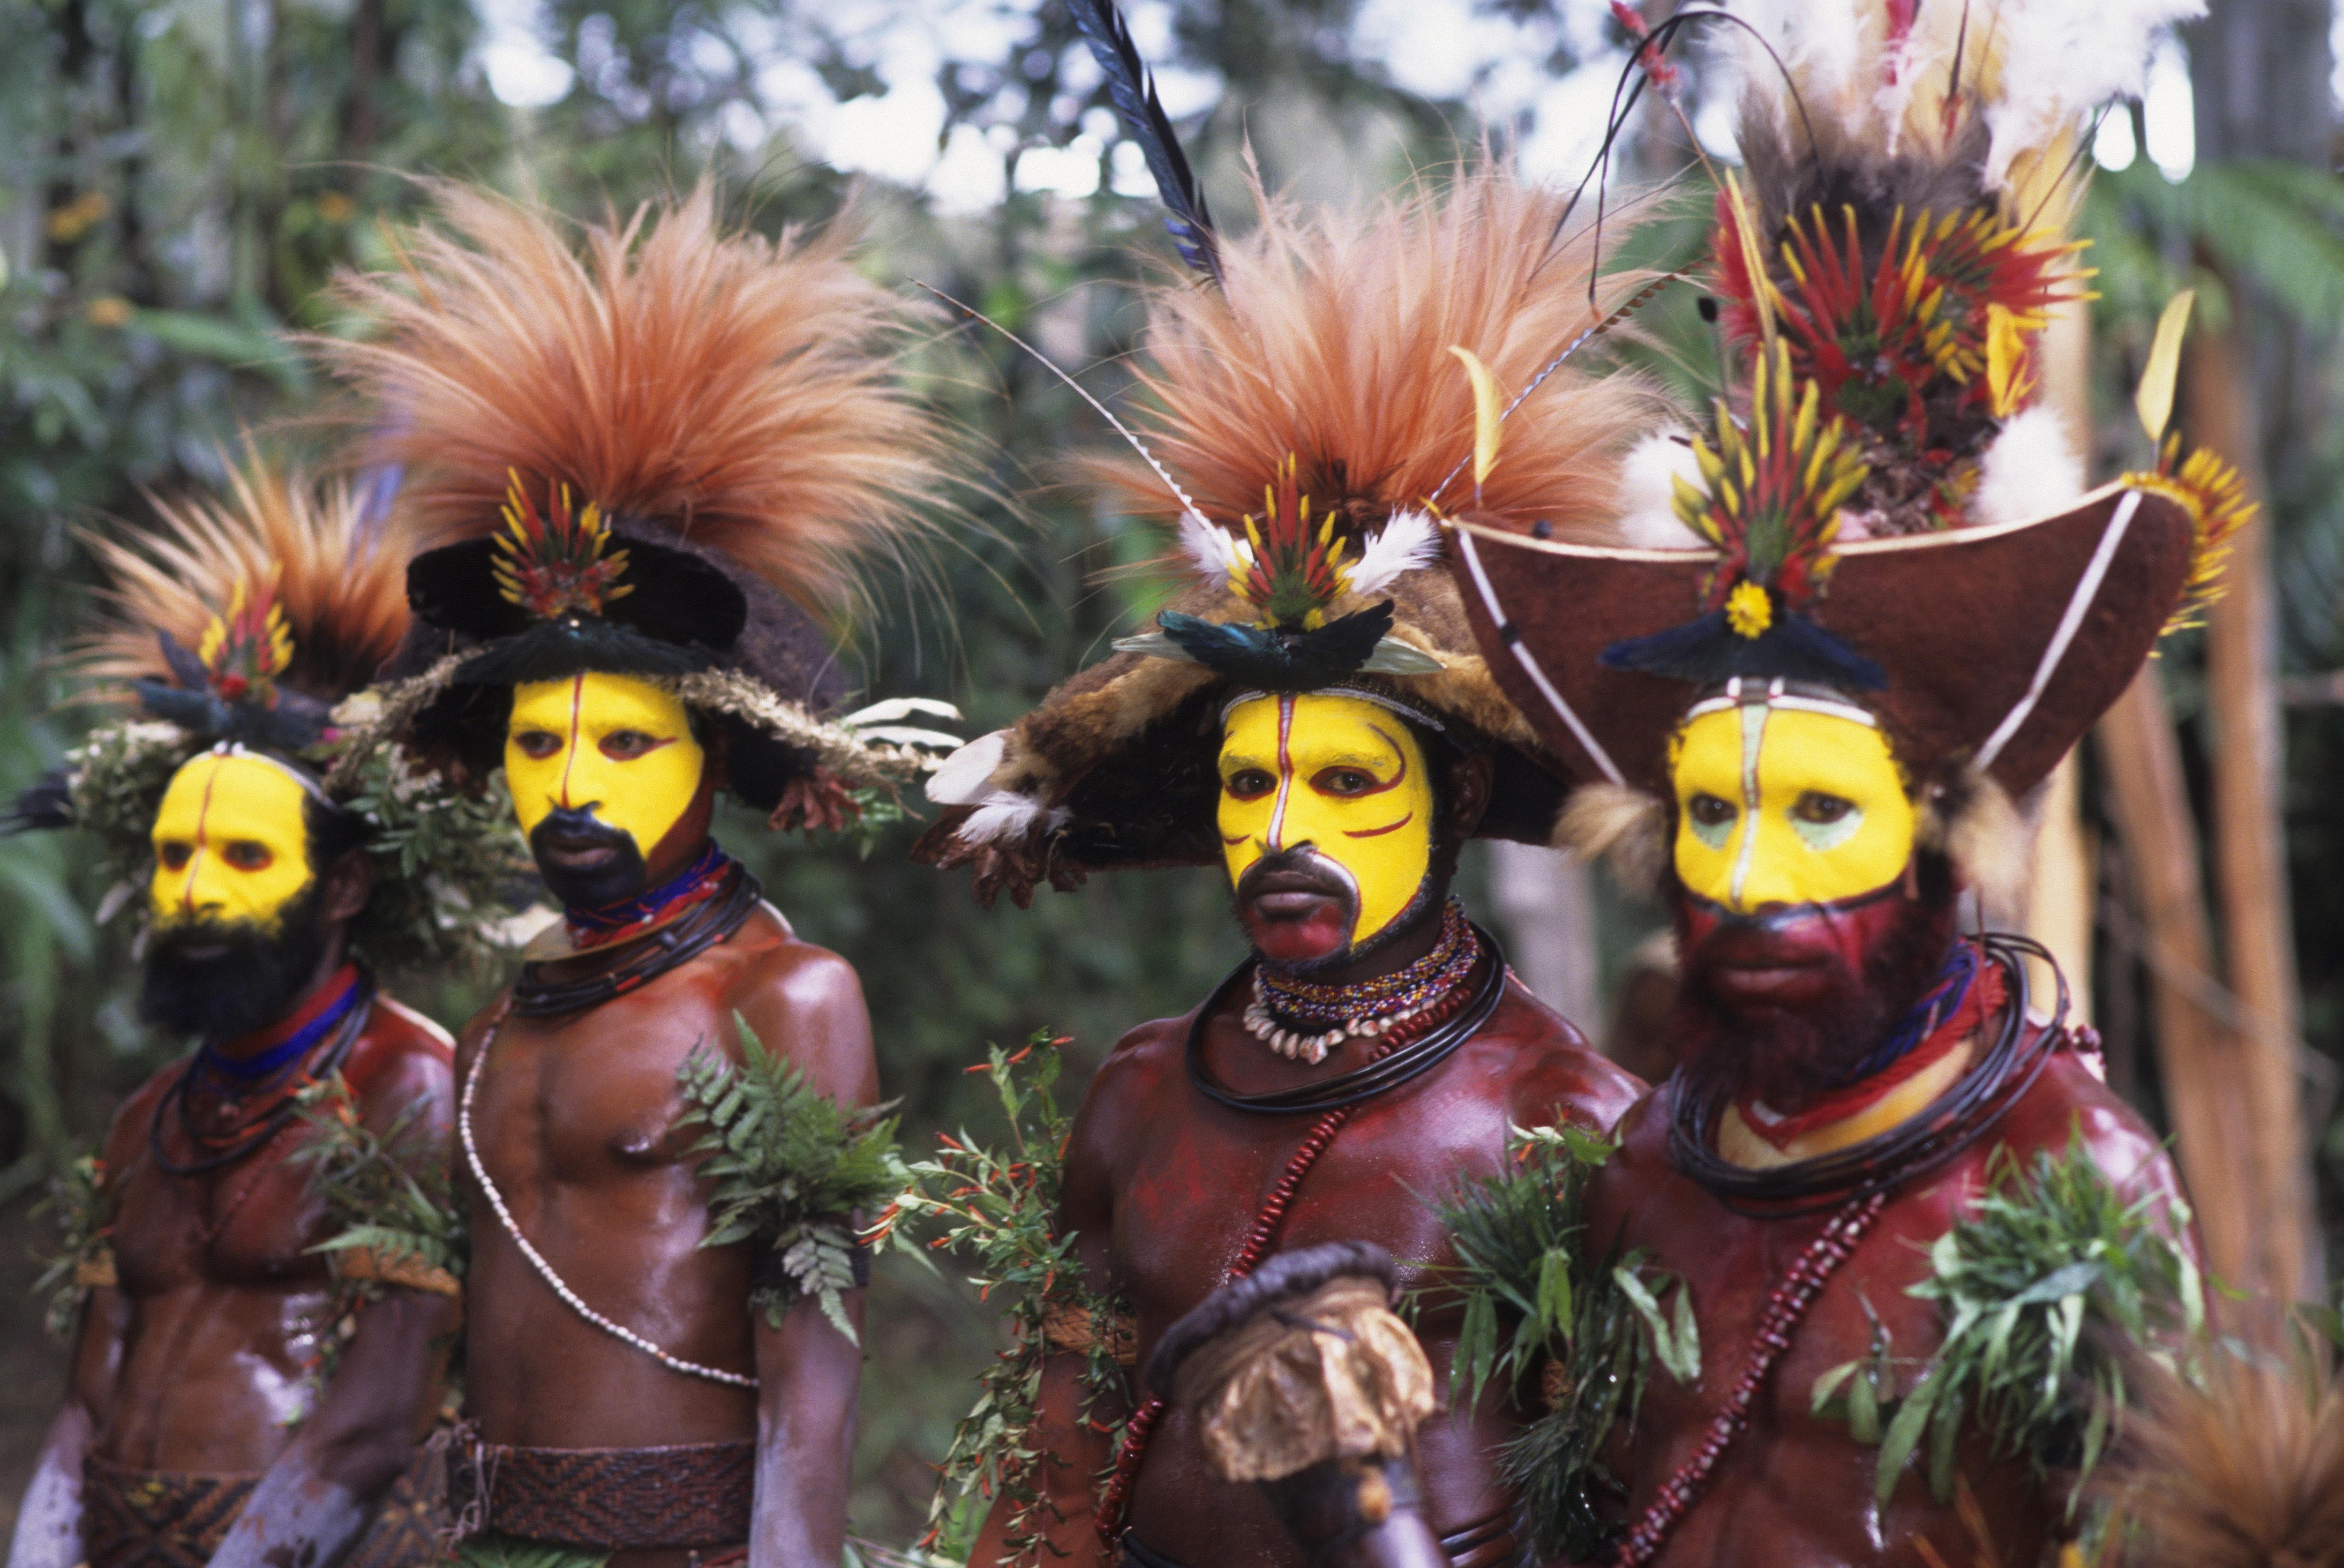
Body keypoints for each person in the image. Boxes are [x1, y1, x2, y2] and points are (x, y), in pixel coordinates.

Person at [1442, 3, 2237, 1561]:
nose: (1749, 874)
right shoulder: (1645, 1171)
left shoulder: (2072, 1180)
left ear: (1940, 838)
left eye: (1820, 809)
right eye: (1719, 814)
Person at [913, 124, 1665, 1563]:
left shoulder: (1573, 1117)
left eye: (1342, 781)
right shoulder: (1141, 1091)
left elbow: (1625, 1490)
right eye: (1250, 782)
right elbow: (1062, 1445)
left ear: (1452, 799)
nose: (1281, 831)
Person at [321, 181, 954, 1568]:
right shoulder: (494, 1028)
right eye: (539, 742)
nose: (571, 780)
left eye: (621, 740)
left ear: (717, 759)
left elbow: (816, 1353)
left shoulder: (787, 996)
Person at [4, 454, 506, 1568]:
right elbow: (87, 1402)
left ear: (343, 885)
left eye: (242, 854)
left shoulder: (404, 1088)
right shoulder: (150, 1119)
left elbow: (374, 1421)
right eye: (176, 853)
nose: (194, 889)